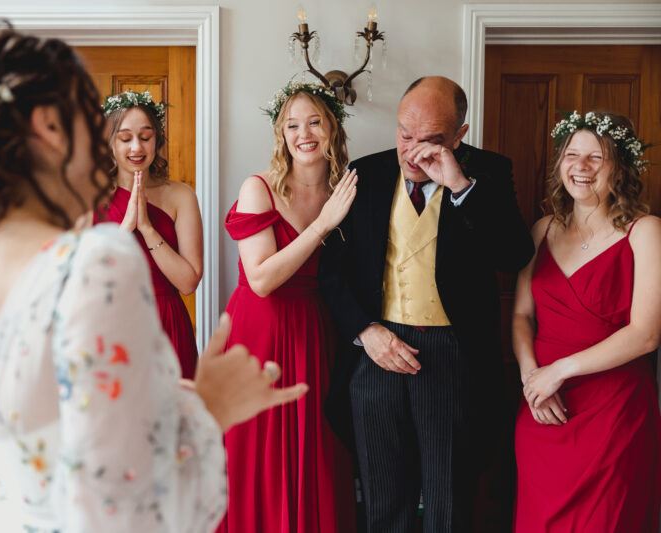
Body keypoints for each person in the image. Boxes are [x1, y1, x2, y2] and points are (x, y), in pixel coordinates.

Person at [0, 28, 307, 532]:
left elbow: (48, 440)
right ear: (49, 128)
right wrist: (209, 408)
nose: (106, 141)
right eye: (92, 121)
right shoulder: (94, 259)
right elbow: (121, 494)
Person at [319, 76, 534, 532]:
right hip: (376, 352)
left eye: (431, 139)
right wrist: (365, 331)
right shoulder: (367, 173)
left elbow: (514, 254)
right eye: (404, 134)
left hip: (453, 356)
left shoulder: (489, 172)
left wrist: (460, 187)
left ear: (459, 134)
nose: (412, 151)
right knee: (382, 495)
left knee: (448, 496)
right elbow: (331, 272)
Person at [217, 82, 357, 533]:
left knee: (314, 445)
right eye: (292, 125)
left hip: (315, 332)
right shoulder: (259, 188)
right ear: (281, 134)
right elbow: (260, 280)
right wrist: (322, 225)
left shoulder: (346, 190)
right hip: (259, 331)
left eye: (314, 121)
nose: (304, 133)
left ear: (332, 127)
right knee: (256, 447)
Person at [513, 111, 661, 532]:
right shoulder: (542, 230)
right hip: (542, 408)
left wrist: (558, 371)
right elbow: (522, 315)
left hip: (614, 411)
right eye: (572, 155)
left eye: (596, 157)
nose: (581, 167)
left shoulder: (646, 231)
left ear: (620, 167)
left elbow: (647, 334)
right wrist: (532, 381)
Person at [95, 91, 201, 378]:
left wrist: (147, 228)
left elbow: (188, 282)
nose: (136, 147)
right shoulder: (89, 199)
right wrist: (127, 227)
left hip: (167, 325)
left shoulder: (180, 196)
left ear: (157, 140)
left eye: (145, 136)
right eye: (125, 137)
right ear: (110, 143)